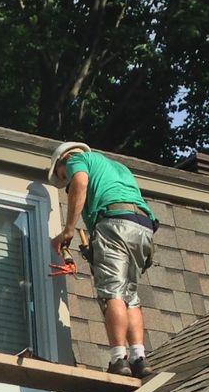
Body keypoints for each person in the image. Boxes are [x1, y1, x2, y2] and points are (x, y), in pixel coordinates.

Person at [50, 141, 157, 378]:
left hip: (114, 223)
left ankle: (119, 359)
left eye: (62, 175)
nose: (66, 181)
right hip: (142, 228)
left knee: (113, 294)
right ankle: (139, 358)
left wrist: (68, 230)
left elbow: (80, 182)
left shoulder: (77, 160)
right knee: (130, 295)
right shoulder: (118, 168)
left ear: (64, 159)